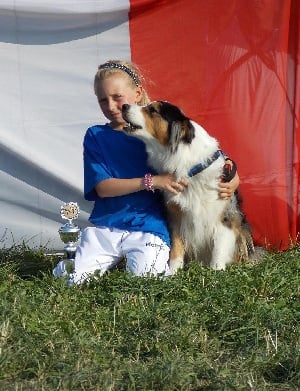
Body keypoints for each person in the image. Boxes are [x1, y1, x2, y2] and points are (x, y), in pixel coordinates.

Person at [53, 60, 239, 284]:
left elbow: (205, 153)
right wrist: (153, 181)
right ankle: (77, 261)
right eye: (103, 100)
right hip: (107, 226)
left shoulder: (155, 131)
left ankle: (136, 259)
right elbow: (102, 187)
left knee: (149, 279)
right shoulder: (96, 135)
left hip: (149, 227)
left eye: (117, 97)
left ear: (138, 93)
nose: (111, 107)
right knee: (71, 279)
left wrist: (233, 173)